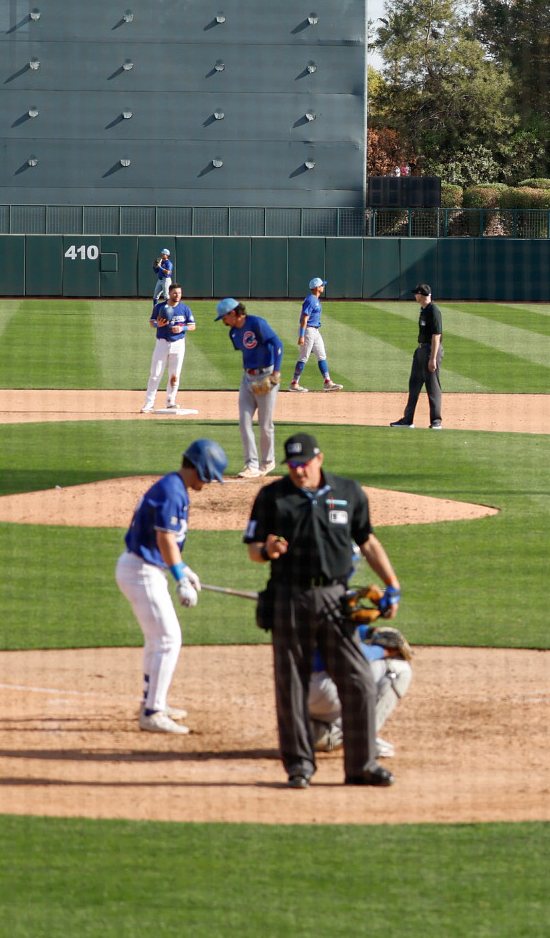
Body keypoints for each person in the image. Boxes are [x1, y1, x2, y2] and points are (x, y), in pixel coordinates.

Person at [245, 432, 402, 789]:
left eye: (304, 464)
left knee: (359, 680)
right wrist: (266, 548)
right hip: (288, 597)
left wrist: (392, 583)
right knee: (291, 685)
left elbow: (368, 541)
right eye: (292, 466)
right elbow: (253, 549)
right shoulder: (272, 496)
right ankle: (299, 766)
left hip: (335, 597)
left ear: (319, 459)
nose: (299, 471)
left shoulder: (348, 493)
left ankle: (361, 765)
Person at [116, 438, 226, 734]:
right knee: (168, 639)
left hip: (143, 568)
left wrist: (184, 569)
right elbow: (165, 539)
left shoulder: (174, 487)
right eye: (210, 476)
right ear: (201, 469)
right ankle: (152, 713)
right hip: (141, 571)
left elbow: (164, 539)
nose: (211, 482)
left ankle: (153, 702)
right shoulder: (172, 491)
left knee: (158, 639)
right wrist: (179, 578)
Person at [309, 624, 414, 759]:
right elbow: (352, 650)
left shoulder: (297, 610)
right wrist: (383, 651)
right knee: (399, 668)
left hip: (297, 693)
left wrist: (370, 631)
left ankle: (319, 734)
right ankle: (364, 740)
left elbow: (336, 626)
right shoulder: (328, 609)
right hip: (325, 690)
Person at [216, 297, 282, 479]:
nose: (223, 321)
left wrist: (275, 373)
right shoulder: (233, 334)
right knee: (244, 422)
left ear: (232, 313)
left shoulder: (257, 323)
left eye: (224, 317)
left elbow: (278, 344)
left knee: (265, 424)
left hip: (266, 375)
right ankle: (251, 465)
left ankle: (268, 462)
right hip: (247, 379)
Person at [390, 284, 444, 429]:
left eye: (416, 294)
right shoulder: (424, 310)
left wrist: (433, 358)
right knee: (414, 385)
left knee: (433, 388)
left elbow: (436, 335)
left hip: (430, 351)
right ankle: (408, 420)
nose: (414, 296)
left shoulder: (433, 311)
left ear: (421, 295)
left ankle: (436, 422)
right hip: (420, 351)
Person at [142, 283, 196, 413]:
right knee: (155, 374)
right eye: (175, 293)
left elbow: (192, 326)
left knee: (174, 375)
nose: (178, 295)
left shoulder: (185, 309)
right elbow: (152, 323)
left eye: (180, 293)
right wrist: (158, 324)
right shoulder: (159, 307)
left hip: (178, 344)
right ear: (170, 293)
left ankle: (171, 401)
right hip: (162, 343)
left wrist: (182, 328)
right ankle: (149, 404)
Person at [288, 277, 343, 392]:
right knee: (303, 357)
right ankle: (294, 384)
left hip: (315, 331)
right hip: (308, 330)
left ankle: (327, 382)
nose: (323, 287)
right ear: (317, 288)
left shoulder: (315, 299)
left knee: (321, 355)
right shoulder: (311, 300)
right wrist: (302, 335)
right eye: (322, 285)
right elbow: (304, 318)